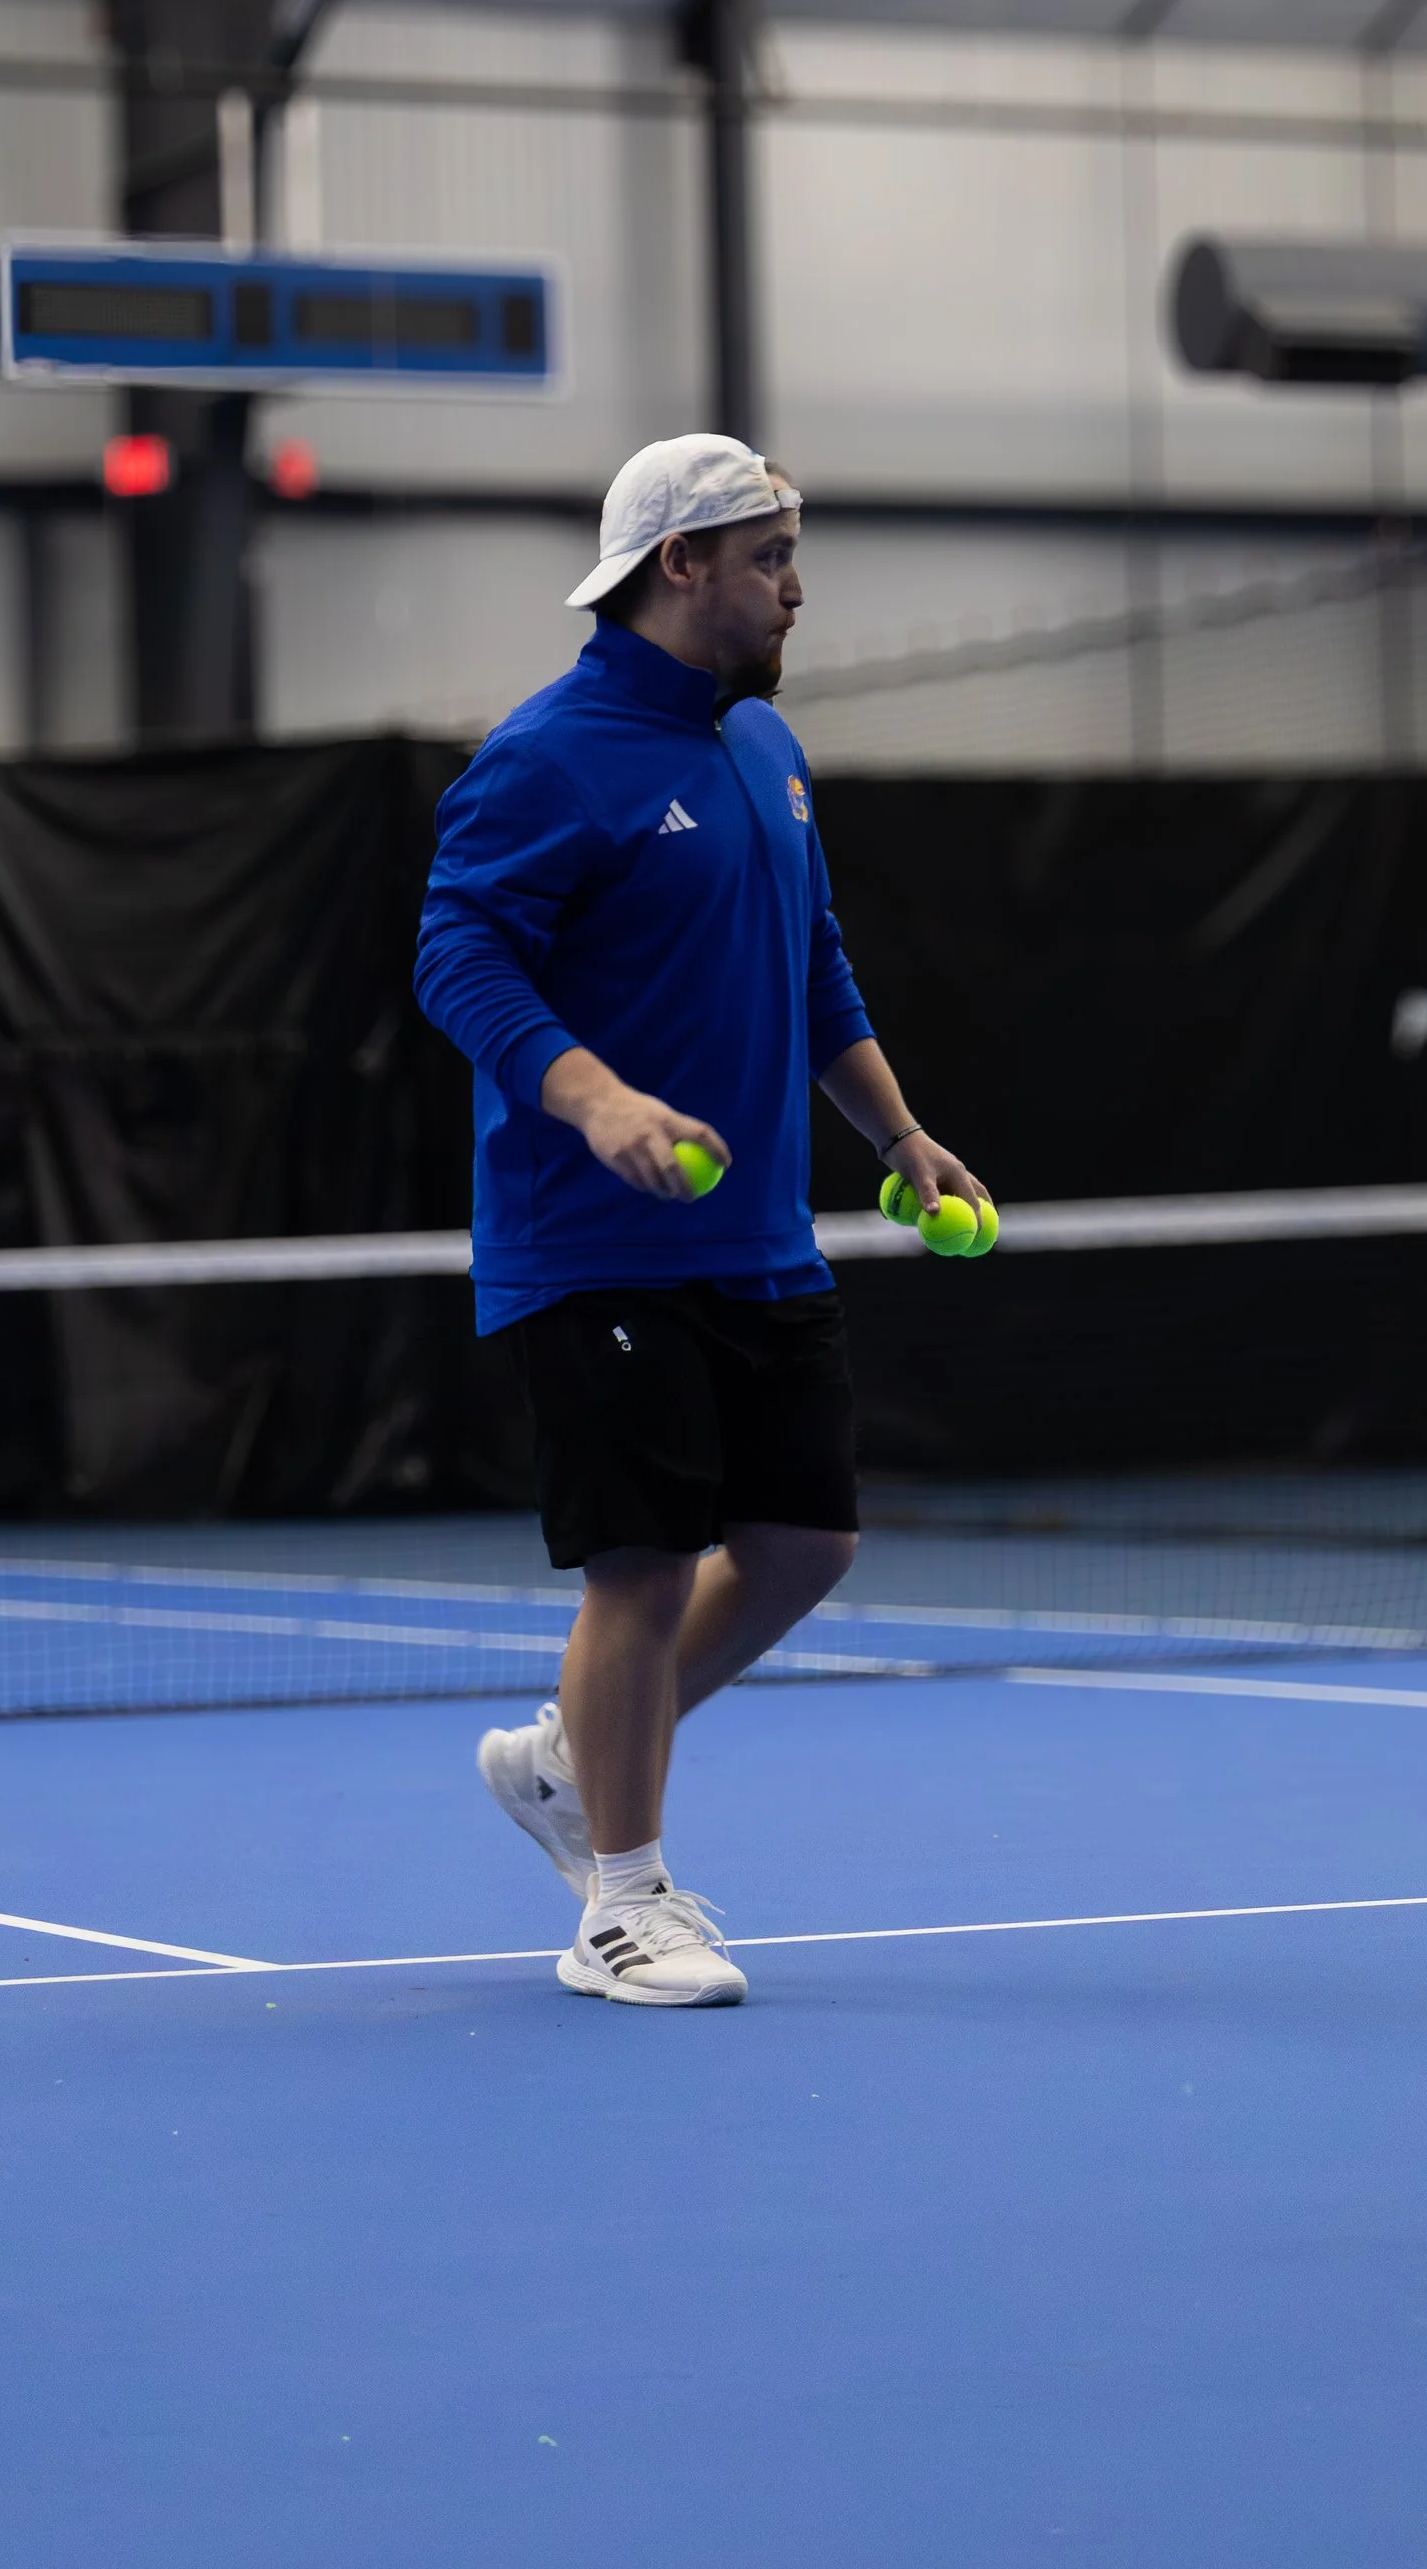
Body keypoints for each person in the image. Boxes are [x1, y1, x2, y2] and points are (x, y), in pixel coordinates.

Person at [413, 433, 990, 2009]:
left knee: (805, 1544)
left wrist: (900, 1129)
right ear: (683, 566)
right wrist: (595, 1102)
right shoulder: (545, 756)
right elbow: (458, 962)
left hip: (758, 1242)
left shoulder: (763, 754)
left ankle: (560, 1757)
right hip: (592, 1241)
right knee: (644, 1564)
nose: (796, 590)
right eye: (770, 558)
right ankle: (620, 1902)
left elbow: (815, 971)